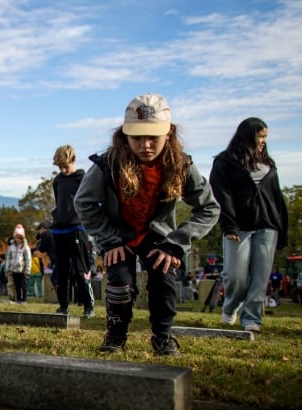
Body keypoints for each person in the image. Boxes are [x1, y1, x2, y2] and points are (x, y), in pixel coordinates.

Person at [74, 93, 220, 355]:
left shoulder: (180, 164)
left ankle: (162, 336)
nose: (146, 144)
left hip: (160, 237)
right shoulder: (108, 164)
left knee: (164, 279)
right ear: (124, 135)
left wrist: (178, 242)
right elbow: (84, 202)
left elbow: (209, 207)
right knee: (119, 281)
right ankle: (116, 334)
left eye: (154, 137)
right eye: (137, 137)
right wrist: (108, 240)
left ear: (169, 133)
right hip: (118, 235)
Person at [209, 117, 288, 333]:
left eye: (265, 137)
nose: (263, 141)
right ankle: (231, 306)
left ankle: (252, 318)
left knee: (260, 277)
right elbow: (220, 196)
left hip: (268, 226)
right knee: (236, 275)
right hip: (239, 227)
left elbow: (277, 198)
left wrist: (283, 229)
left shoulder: (269, 164)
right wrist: (229, 225)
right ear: (246, 135)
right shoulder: (224, 162)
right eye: (260, 136)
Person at [51, 145, 95, 318]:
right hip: (60, 229)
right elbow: (58, 201)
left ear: (73, 161)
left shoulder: (83, 178)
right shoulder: (58, 180)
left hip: (78, 228)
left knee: (80, 269)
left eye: (65, 166)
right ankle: (63, 306)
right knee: (62, 270)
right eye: (60, 168)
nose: (63, 170)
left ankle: (88, 306)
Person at [6, 224, 31, 304]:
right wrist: (7, 269)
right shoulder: (11, 247)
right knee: (16, 285)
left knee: (24, 285)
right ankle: (18, 299)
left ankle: (24, 300)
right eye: (16, 237)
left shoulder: (25, 247)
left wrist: (27, 270)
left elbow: (28, 259)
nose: (18, 239)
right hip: (14, 269)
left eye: (20, 238)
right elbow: (8, 258)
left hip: (22, 269)